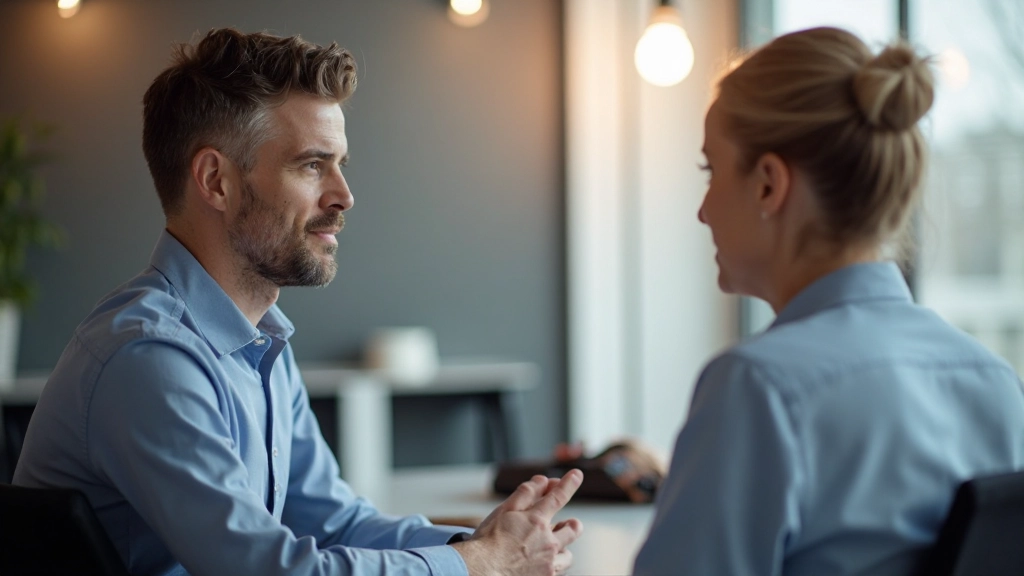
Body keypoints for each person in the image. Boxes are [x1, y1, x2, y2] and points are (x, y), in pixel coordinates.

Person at [13, 28, 583, 576]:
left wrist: (489, 547)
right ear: (215, 180)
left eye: (339, 165)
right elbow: (266, 570)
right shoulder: (146, 358)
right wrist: (477, 565)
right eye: (312, 164)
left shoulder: (262, 344)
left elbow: (333, 524)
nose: (344, 196)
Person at [633, 27, 1024, 576]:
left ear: (768, 185)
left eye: (711, 170)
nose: (702, 210)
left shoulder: (758, 389)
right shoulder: (994, 382)